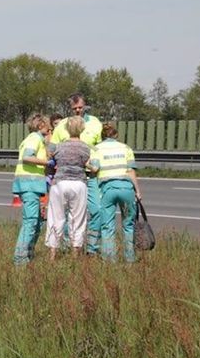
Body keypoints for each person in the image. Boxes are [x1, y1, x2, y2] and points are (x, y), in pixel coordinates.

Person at [51, 94, 104, 255]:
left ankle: (92, 248)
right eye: (74, 109)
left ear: (85, 105)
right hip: (70, 175)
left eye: (80, 107)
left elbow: (100, 147)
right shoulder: (62, 126)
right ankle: (69, 246)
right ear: (70, 108)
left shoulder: (95, 123)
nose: (78, 110)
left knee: (97, 211)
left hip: (92, 175)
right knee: (68, 214)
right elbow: (52, 148)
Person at [90, 123, 142, 262]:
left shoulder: (96, 149)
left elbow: (94, 169)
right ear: (116, 135)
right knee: (128, 225)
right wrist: (137, 191)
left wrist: (87, 163)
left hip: (108, 189)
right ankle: (130, 258)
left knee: (107, 226)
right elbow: (131, 171)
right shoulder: (126, 148)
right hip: (127, 188)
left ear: (102, 135)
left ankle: (109, 259)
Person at [45, 117, 91, 260]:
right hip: (78, 183)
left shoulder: (59, 146)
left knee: (55, 218)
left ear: (66, 129)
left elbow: (49, 154)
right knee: (77, 220)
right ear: (82, 129)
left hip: (59, 183)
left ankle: (52, 254)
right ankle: (75, 254)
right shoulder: (85, 147)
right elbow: (88, 163)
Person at [12, 114, 52, 265]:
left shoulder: (34, 139)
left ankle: (27, 253)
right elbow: (27, 157)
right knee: (30, 222)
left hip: (30, 185)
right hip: (29, 184)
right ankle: (20, 259)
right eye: (48, 125)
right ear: (41, 125)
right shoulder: (34, 139)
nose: (50, 128)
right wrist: (46, 162)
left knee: (36, 221)